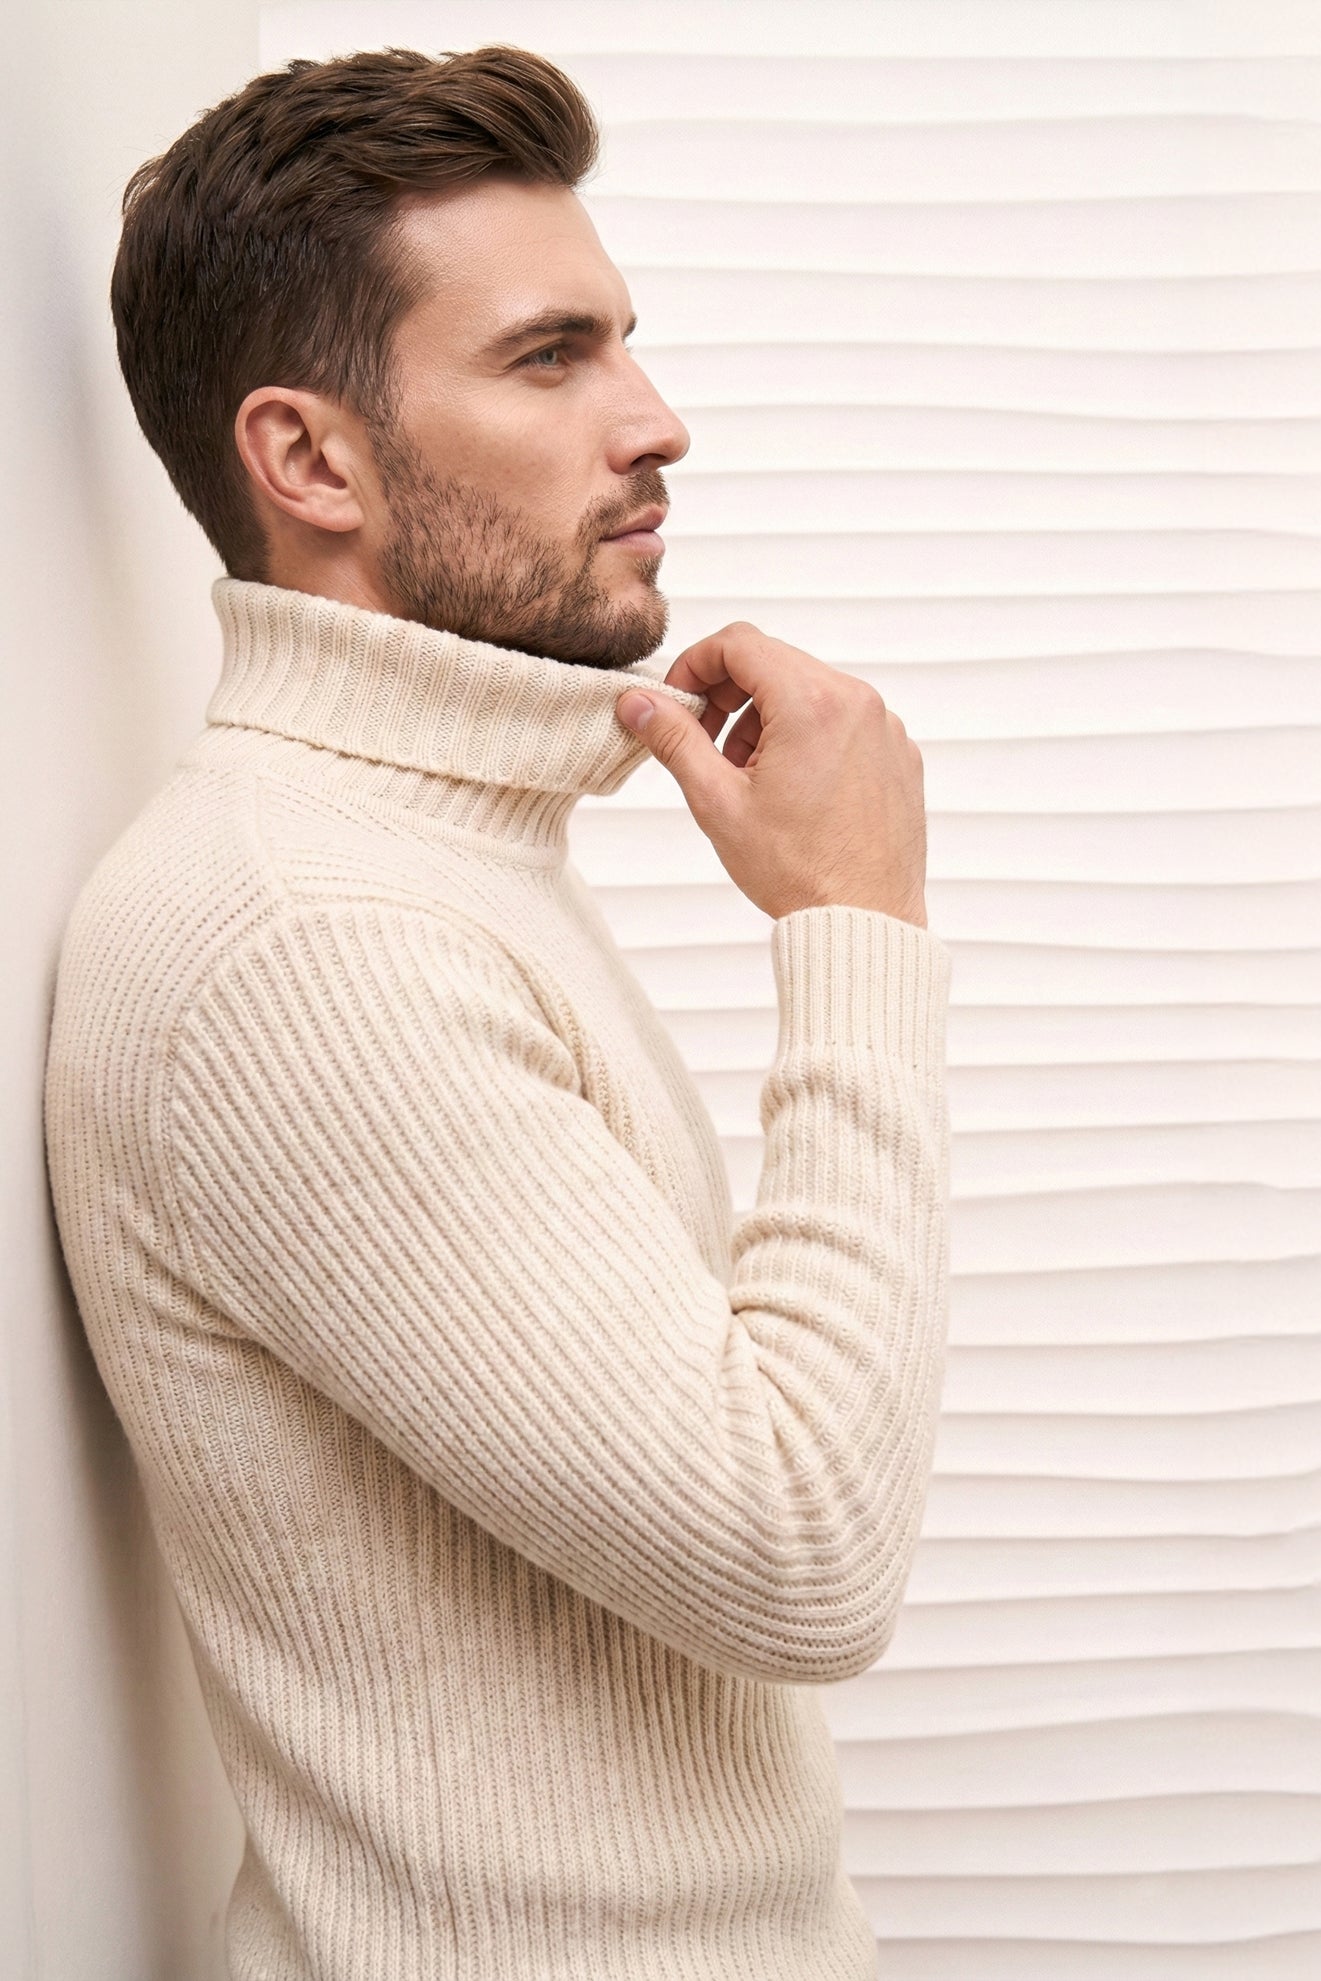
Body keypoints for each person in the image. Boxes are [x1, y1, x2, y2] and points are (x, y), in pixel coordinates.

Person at [43, 43, 952, 1981]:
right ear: (309, 462)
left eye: (623, 342)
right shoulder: (303, 944)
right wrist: (854, 921)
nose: (656, 422)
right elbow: (799, 1548)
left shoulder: (430, 859)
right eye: (550, 358)